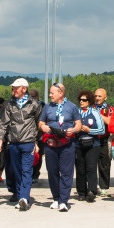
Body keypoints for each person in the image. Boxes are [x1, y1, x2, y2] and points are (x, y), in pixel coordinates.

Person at [0, 78, 43, 210]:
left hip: (28, 143)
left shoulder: (34, 104)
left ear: (24, 89)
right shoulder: (9, 104)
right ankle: (19, 193)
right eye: (13, 88)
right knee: (16, 171)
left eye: (16, 88)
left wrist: (35, 139)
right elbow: (3, 123)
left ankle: (24, 198)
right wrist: (0, 139)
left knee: (26, 170)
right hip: (13, 143)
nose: (13, 90)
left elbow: (40, 123)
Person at [38, 83, 80, 211]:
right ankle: (56, 198)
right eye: (50, 93)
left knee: (67, 172)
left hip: (67, 144)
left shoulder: (72, 107)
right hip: (51, 143)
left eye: (52, 93)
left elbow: (78, 124)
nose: (50, 95)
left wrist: (73, 130)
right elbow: (41, 122)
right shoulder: (47, 106)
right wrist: (43, 127)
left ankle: (63, 201)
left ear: (61, 93)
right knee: (52, 172)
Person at [74, 89, 105, 202]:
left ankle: (91, 191)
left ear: (89, 101)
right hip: (78, 144)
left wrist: (89, 130)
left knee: (91, 168)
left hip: (93, 144)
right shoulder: (76, 112)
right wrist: (76, 129)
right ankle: (81, 192)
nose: (81, 102)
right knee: (80, 169)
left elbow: (102, 130)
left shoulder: (95, 112)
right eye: (80, 100)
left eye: (84, 100)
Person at [93, 87, 114, 193]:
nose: (97, 98)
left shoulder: (110, 109)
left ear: (105, 98)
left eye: (99, 96)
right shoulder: (90, 107)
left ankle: (104, 187)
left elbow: (110, 121)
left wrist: (97, 115)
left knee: (104, 163)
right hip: (92, 138)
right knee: (91, 164)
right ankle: (92, 186)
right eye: (95, 96)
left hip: (105, 139)